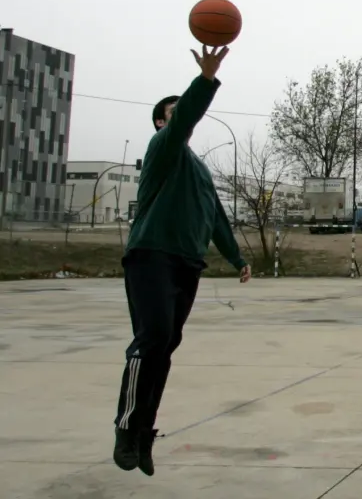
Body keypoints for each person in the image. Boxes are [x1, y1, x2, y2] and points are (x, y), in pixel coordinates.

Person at [113, 45, 250, 476]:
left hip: (188, 264)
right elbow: (186, 115)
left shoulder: (200, 170)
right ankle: (125, 427)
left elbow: (215, 217)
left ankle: (144, 432)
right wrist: (206, 79)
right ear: (162, 122)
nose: (182, 117)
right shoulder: (163, 148)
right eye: (175, 112)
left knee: (165, 348)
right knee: (151, 339)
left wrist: (236, 258)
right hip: (151, 256)